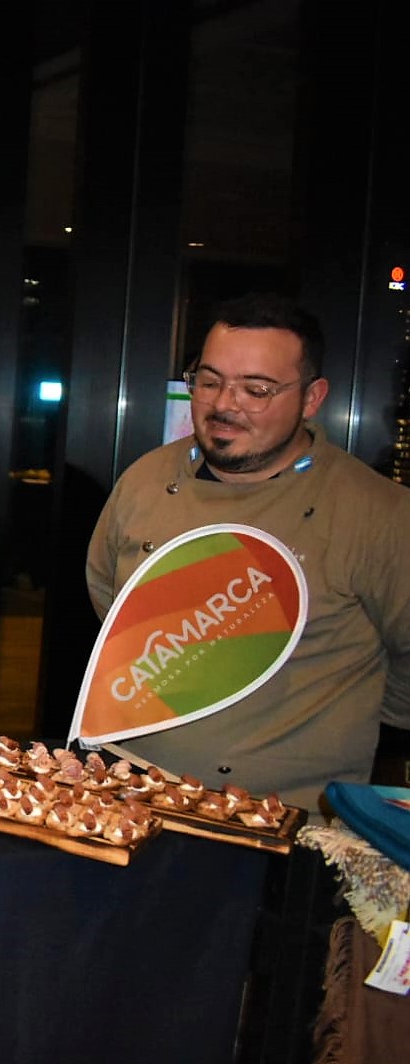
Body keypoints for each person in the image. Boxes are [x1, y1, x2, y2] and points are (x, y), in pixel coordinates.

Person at [87, 292, 410, 811]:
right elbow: (109, 596)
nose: (223, 404)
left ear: (311, 398)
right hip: (130, 790)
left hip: (285, 818)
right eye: (209, 381)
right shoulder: (147, 479)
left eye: (256, 390)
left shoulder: (379, 514)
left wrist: (346, 707)